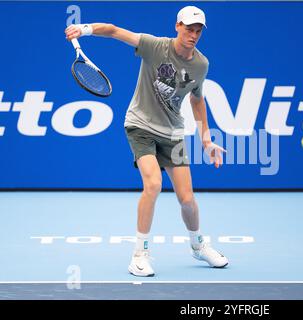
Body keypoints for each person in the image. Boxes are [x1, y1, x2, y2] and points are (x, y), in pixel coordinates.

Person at [65, 6, 228, 277]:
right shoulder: (154, 46)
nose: (193, 35)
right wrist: (85, 29)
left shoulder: (201, 64)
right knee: (153, 183)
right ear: (177, 26)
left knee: (187, 198)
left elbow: (197, 99)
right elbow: (116, 31)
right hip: (140, 126)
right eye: (189, 29)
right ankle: (139, 254)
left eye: (198, 31)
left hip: (173, 133)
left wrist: (206, 138)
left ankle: (198, 246)